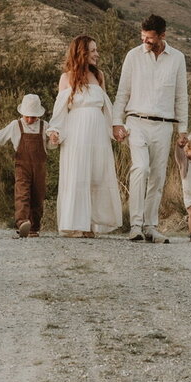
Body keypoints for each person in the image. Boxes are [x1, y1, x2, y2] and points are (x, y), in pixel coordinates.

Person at [112, 14, 188, 243]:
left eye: (150, 38)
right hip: (136, 121)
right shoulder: (132, 56)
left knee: (157, 175)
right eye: (143, 37)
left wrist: (183, 128)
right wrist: (117, 122)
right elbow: (122, 92)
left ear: (163, 36)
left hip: (164, 125)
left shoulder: (177, 58)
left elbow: (181, 95)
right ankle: (135, 225)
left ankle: (150, 226)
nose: (145, 42)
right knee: (141, 168)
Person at [46, 35, 122, 238]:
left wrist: (116, 128)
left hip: (98, 132)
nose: (97, 54)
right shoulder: (67, 78)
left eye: (97, 50)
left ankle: (91, 224)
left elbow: (108, 108)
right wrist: (55, 131)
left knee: (96, 175)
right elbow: (60, 110)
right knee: (77, 175)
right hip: (76, 131)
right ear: (82, 52)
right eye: (93, 50)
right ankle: (75, 224)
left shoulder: (100, 76)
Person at [0, 93, 50, 238]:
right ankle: (22, 222)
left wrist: (54, 139)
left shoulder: (45, 126)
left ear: (38, 116)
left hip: (40, 167)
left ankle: (34, 228)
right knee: (22, 194)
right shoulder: (15, 125)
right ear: (22, 113)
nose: (29, 119)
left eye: (33, 117)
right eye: (27, 116)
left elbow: (50, 146)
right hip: (22, 166)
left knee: (38, 196)